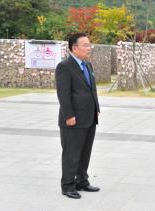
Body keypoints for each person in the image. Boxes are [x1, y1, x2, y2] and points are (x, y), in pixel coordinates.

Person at [55, 32, 100, 199]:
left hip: (89, 117)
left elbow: (91, 90)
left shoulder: (87, 65)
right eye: (86, 45)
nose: (90, 48)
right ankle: (67, 185)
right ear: (74, 48)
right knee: (71, 153)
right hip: (73, 119)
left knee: (85, 152)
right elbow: (63, 94)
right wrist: (69, 115)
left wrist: (96, 108)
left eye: (90, 45)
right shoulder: (64, 67)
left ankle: (82, 181)